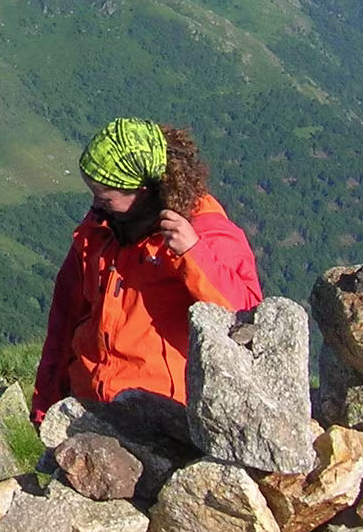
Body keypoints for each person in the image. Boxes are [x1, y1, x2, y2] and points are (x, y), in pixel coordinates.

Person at [31, 117, 262, 423]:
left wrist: (193, 254)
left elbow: (248, 314)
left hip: (165, 417)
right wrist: (46, 404)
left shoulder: (206, 233)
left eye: (105, 198)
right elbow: (64, 321)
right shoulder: (100, 228)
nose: (96, 205)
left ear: (141, 190)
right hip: (88, 410)